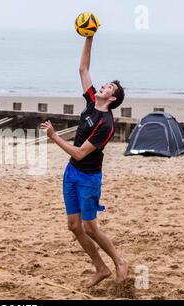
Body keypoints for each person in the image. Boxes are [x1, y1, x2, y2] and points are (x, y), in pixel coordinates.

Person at [41, 36, 128, 288]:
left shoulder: (106, 124)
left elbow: (79, 153)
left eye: (109, 87)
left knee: (90, 227)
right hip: (71, 173)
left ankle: (118, 262)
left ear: (113, 98)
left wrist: (54, 136)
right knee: (73, 226)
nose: (104, 86)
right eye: (106, 84)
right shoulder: (92, 102)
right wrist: (90, 35)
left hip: (89, 177)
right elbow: (83, 68)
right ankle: (100, 267)